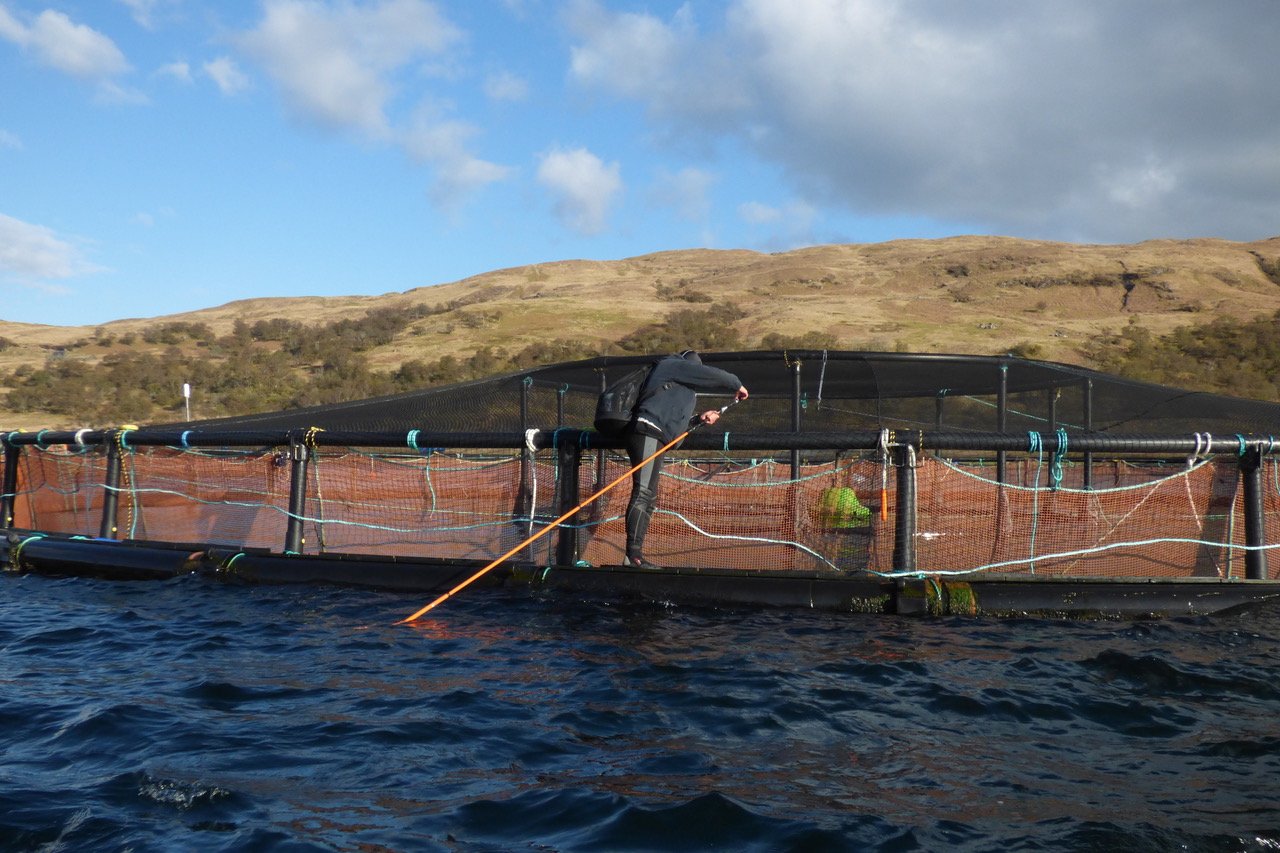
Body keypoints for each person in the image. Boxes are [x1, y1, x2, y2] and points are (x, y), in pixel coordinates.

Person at [623, 350, 748, 569]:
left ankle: (635, 554)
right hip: (647, 431)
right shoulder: (672, 364)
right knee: (643, 492)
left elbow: (672, 424)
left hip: (657, 436)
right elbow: (711, 374)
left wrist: (697, 419)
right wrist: (736, 384)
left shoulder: (680, 390)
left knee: (649, 497)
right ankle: (633, 556)